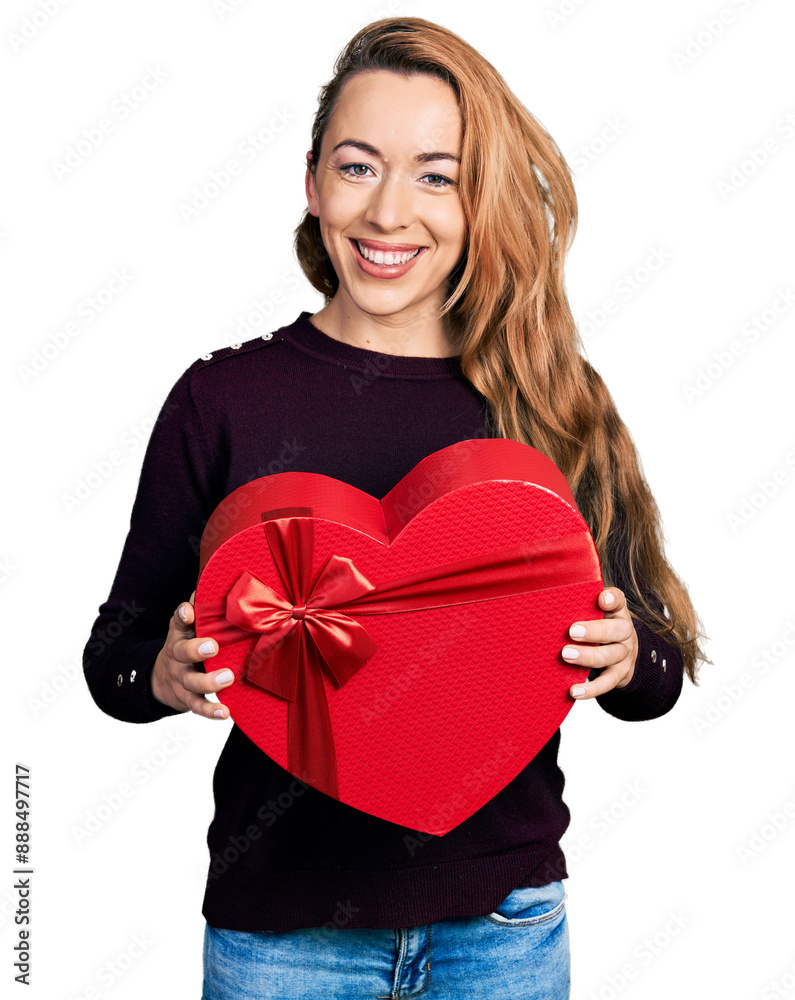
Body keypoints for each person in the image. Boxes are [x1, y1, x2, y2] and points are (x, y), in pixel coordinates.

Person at [83, 16, 709, 1000]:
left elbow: (657, 669)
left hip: (502, 934)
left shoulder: (545, 392)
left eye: (435, 174)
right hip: (281, 938)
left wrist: (631, 655)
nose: (388, 213)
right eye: (359, 165)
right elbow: (112, 660)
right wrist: (160, 672)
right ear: (311, 179)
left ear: (478, 197)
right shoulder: (224, 400)